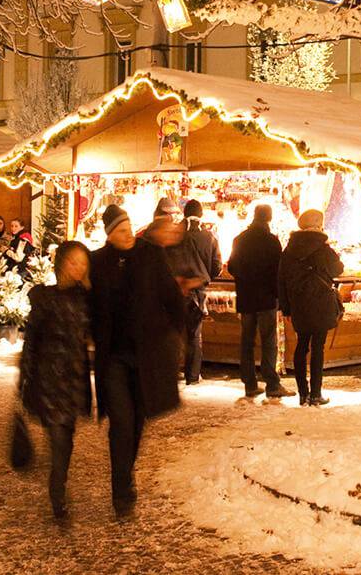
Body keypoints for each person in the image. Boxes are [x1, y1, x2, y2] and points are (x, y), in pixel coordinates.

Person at [87, 205, 200, 517]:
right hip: (113, 357)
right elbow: (88, 304)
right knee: (121, 420)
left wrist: (177, 335)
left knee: (137, 420)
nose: (128, 234)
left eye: (128, 227)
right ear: (109, 235)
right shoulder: (97, 262)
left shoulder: (150, 256)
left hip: (146, 354)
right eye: (120, 231)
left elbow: (171, 297)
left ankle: (127, 470)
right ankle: (121, 488)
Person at [18, 242, 94, 521]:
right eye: (74, 262)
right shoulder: (46, 298)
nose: (79, 267)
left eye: (83, 262)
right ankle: (57, 491)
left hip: (74, 378)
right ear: (61, 263)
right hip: (49, 376)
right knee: (59, 436)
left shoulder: (87, 298)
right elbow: (31, 341)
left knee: (67, 436)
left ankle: (58, 481)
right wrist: (24, 376)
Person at [279, 209, 343, 408]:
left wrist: (286, 308)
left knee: (301, 345)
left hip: (299, 303)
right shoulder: (323, 248)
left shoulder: (289, 249)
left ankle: (302, 393)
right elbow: (338, 269)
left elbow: (281, 280)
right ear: (319, 225)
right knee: (318, 348)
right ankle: (316, 394)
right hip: (321, 302)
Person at [227, 205, 288, 400]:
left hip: (246, 297)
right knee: (268, 340)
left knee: (247, 341)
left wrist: (245, 281)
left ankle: (250, 384)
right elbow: (279, 271)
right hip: (266, 298)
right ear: (269, 218)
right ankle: (272, 384)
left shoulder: (240, 239)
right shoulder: (271, 241)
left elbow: (232, 267)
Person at [170, 199, 223, 385]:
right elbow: (217, 266)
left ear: (184, 213)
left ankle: (172, 372)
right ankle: (192, 376)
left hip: (175, 290)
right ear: (201, 214)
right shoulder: (209, 236)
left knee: (174, 332)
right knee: (194, 335)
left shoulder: (175, 234)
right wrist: (205, 277)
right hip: (198, 291)